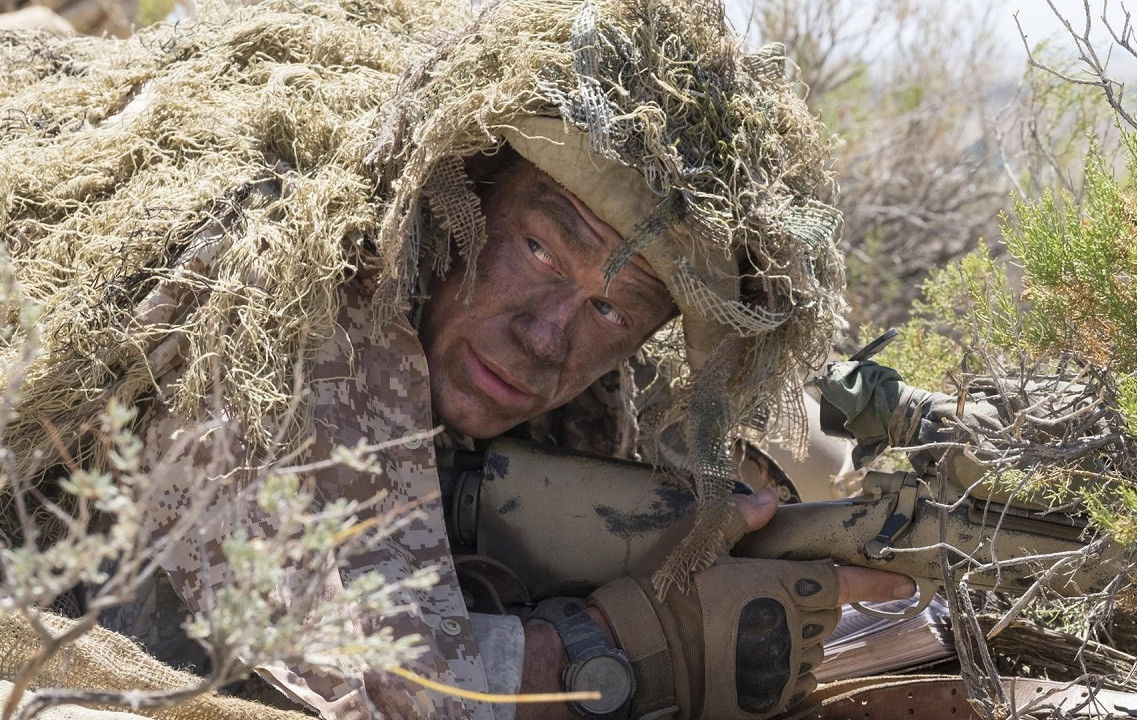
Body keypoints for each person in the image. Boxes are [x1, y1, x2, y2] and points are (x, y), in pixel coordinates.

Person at [1, 1, 910, 719]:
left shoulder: (578, 379)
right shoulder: (294, 294)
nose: (546, 339)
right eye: (540, 251)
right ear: (460, 190)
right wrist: (633, 641)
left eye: (610, 310)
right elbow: (388, 687)